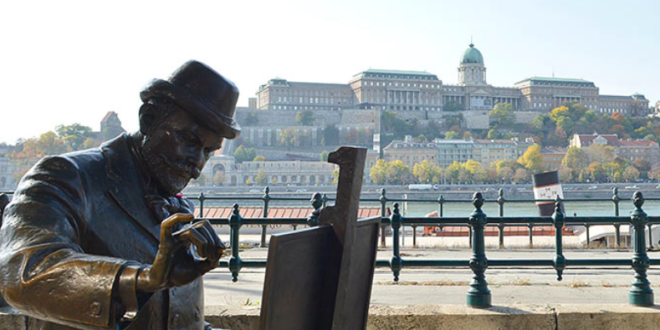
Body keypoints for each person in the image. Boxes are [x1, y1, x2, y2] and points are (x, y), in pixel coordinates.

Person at [0, 60, 239, 329]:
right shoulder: (66, 176)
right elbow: (23, 273)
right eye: (188, 139)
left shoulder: (174, 201)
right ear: (148, 120)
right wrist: (143, 279)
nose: (197, 166)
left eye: (209, 151)